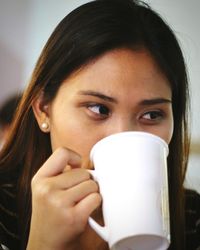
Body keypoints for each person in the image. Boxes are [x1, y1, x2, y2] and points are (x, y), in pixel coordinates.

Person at [0, 0, 193, 249]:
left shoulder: (192, 221)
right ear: (43, 110)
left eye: (152, 115)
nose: (123, 136)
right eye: (99, 109)